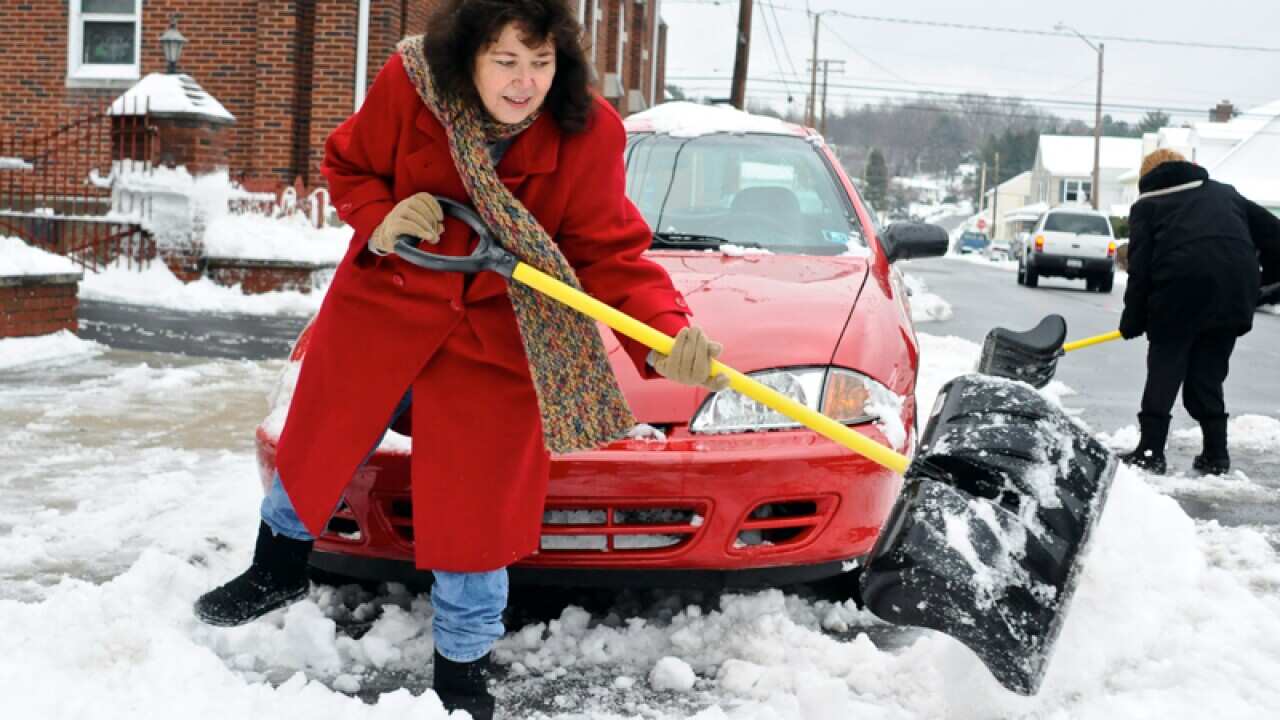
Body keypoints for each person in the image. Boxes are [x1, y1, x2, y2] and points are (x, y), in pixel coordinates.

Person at [193, 1, 729, 716]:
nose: (524, 82)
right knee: (322, 434)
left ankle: (464, 672)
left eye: (541, 63)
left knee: (475, 510)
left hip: (495, 334)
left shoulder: (587, 131)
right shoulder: (411, 85)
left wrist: (668, 335)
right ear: (468, 56)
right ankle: (278, 565)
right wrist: (380, 217)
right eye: (506, 61)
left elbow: (609, 254)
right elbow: (348, 164)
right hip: (388, 304)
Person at [1118, 148, 1280, 475]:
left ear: (1147, 178)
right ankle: (1216, 455)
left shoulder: (1147, 206)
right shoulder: (1225, 193)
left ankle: (1150, 452)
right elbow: (1276, 234)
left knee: (1165, 370)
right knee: (1207, 376)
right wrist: (1263, 283)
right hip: (1232, 295)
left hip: (1177, 294)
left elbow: (1141, 271)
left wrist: (1133, 319)